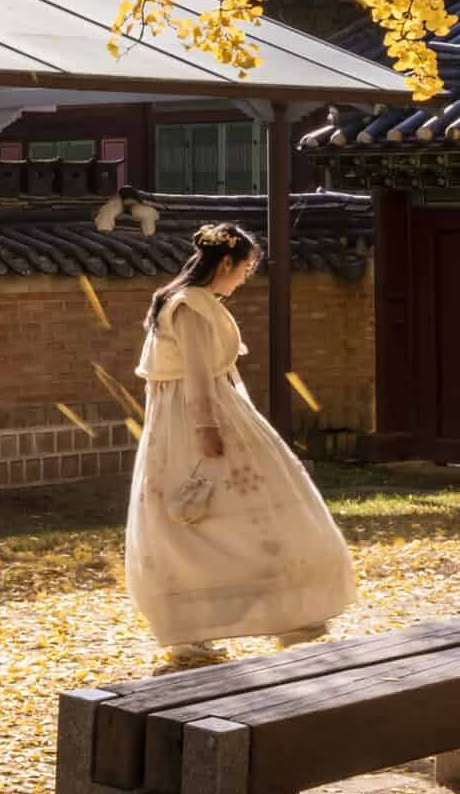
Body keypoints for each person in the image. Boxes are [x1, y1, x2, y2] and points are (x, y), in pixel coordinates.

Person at [125, 221, 355, 671]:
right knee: (200, 518)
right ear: (225, 262)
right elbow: (194, 373)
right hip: (195, 418)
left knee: (243, 514)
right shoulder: (189, 305)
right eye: (245, 269)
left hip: (205, 412)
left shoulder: (199, 303)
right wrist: (207, 428)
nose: (244, 278)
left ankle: (290, 613)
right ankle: (203, 629)